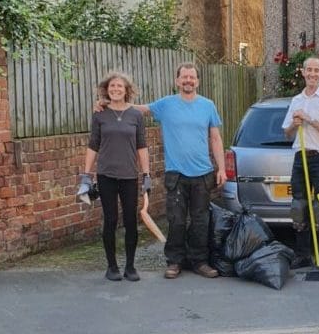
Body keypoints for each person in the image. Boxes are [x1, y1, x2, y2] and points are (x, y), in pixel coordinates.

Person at [96, 62, 226, 279]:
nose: (188, 81)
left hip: (203, 173)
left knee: (201, 220)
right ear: (177, 81)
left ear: (198, 81)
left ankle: (199, 261)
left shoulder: (208, 105)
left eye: (192, 77)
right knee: (175, 220)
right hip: (175, 173)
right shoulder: (166, 104)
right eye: (184, 77)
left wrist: (221, 168)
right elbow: (140, 109)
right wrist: (109, 103)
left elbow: (215, 138)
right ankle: (174, 261)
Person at [82, 72, 151, 282]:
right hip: (106, 175)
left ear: (126, 90)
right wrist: (86, 174)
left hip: (129, 175)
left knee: (130, 221)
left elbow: (141, 145)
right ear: (107, 89)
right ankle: (112, 266)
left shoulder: (136, 116)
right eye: (112, 86)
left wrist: (146, 174)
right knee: (110, 221)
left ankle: (130, 266)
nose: (116, 89)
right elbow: (93, 144)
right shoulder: (100, 114)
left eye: (120, 86)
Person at [281, 57, 319, 269]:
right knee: (299, 207)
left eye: (317, 70)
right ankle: (303, 255)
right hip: (301, 157)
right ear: (303, 72)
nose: (313, 74)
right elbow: (287, 134)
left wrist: (309, 119)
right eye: (309, 70)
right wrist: (293, 125)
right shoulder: (296, 100)